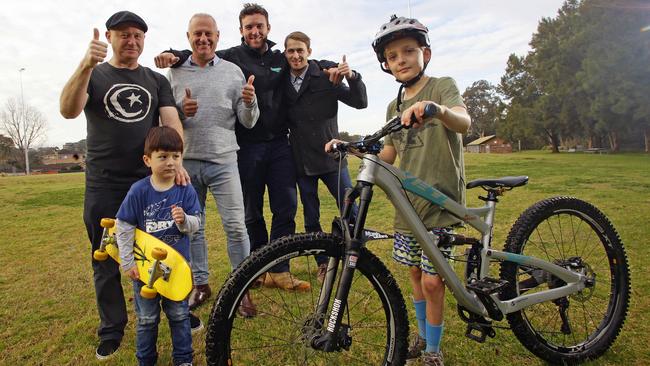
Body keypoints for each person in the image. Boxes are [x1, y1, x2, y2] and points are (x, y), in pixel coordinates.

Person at [155, 3, 339, 292]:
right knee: (250, 213)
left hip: (280, 144)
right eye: (249, 27)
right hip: (245, 146)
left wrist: (331, 67)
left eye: (259, 26)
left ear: (268, 28)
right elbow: (199, 50)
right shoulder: (231, 57)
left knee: (286, 207)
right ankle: (258, 268)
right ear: (240, 31)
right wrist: (174, 54)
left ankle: (280, 269)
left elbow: (306, 60)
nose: (255, 31)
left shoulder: (281, 56)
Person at [329, 15, 472, 366]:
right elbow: (389, 155)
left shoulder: (441, 86)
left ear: (426, 53)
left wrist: (436, 110)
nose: (401, 60)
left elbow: (464, 121)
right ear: (386, 64)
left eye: (409, 51)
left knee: (433, 281)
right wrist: (351, 147)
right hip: (408, 209)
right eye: (393, 56)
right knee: (414, 275)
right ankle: (422, 338)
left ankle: (434, 351)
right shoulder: (394, 108)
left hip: (439, 201)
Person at [59, 11, 189, 360]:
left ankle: (177, 310)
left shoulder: (154, 79)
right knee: (105, 257)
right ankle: (112, 329)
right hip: (103, 184)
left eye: (138, 36)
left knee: (161, 248)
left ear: (144, 40)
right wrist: (86, 64)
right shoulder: (95, 75)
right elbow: (68, 110)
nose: (132, 41)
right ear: (110, 37)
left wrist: (178, 162)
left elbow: (172, 122)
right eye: (124, 35)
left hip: (146, 185)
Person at [167, 13, 260, 317]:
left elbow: (247, 122)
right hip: (188, 163)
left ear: (218, 37)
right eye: (198, 34)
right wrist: (182, 111)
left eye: (209, 34)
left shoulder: (234, 72)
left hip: (224, 161)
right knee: (194, 228)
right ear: (188, 37)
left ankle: (241, 289)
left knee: (235, 226)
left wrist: (249, 102)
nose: (203, 39)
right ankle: (201, 284)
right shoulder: (175, 73)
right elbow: (166, 119)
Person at [283, 31, 366, 282]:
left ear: (309, 51)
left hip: (332, 159)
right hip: (302, 160)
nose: (296, 55)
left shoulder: (326, 77)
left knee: (351, 208)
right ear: (285, 54)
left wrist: (352, 77)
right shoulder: (281, 83)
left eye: (300, 50)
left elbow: (359, 101)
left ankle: (359, 257)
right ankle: (322, 264)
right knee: (311, 217)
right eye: (291, 51)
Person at [116, 126, 201, 366]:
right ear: (147, 160)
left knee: (179, 315)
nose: (170, 162)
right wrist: (128, 261)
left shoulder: (186, 190)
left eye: (176, 156)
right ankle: (146, 360)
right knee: (146, 319)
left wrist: (185, 221)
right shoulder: (138, 191)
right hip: (145, 272)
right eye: (163, 156)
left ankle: (183, 360)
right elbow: (123, 227)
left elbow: (197, 223)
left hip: (176, 269)